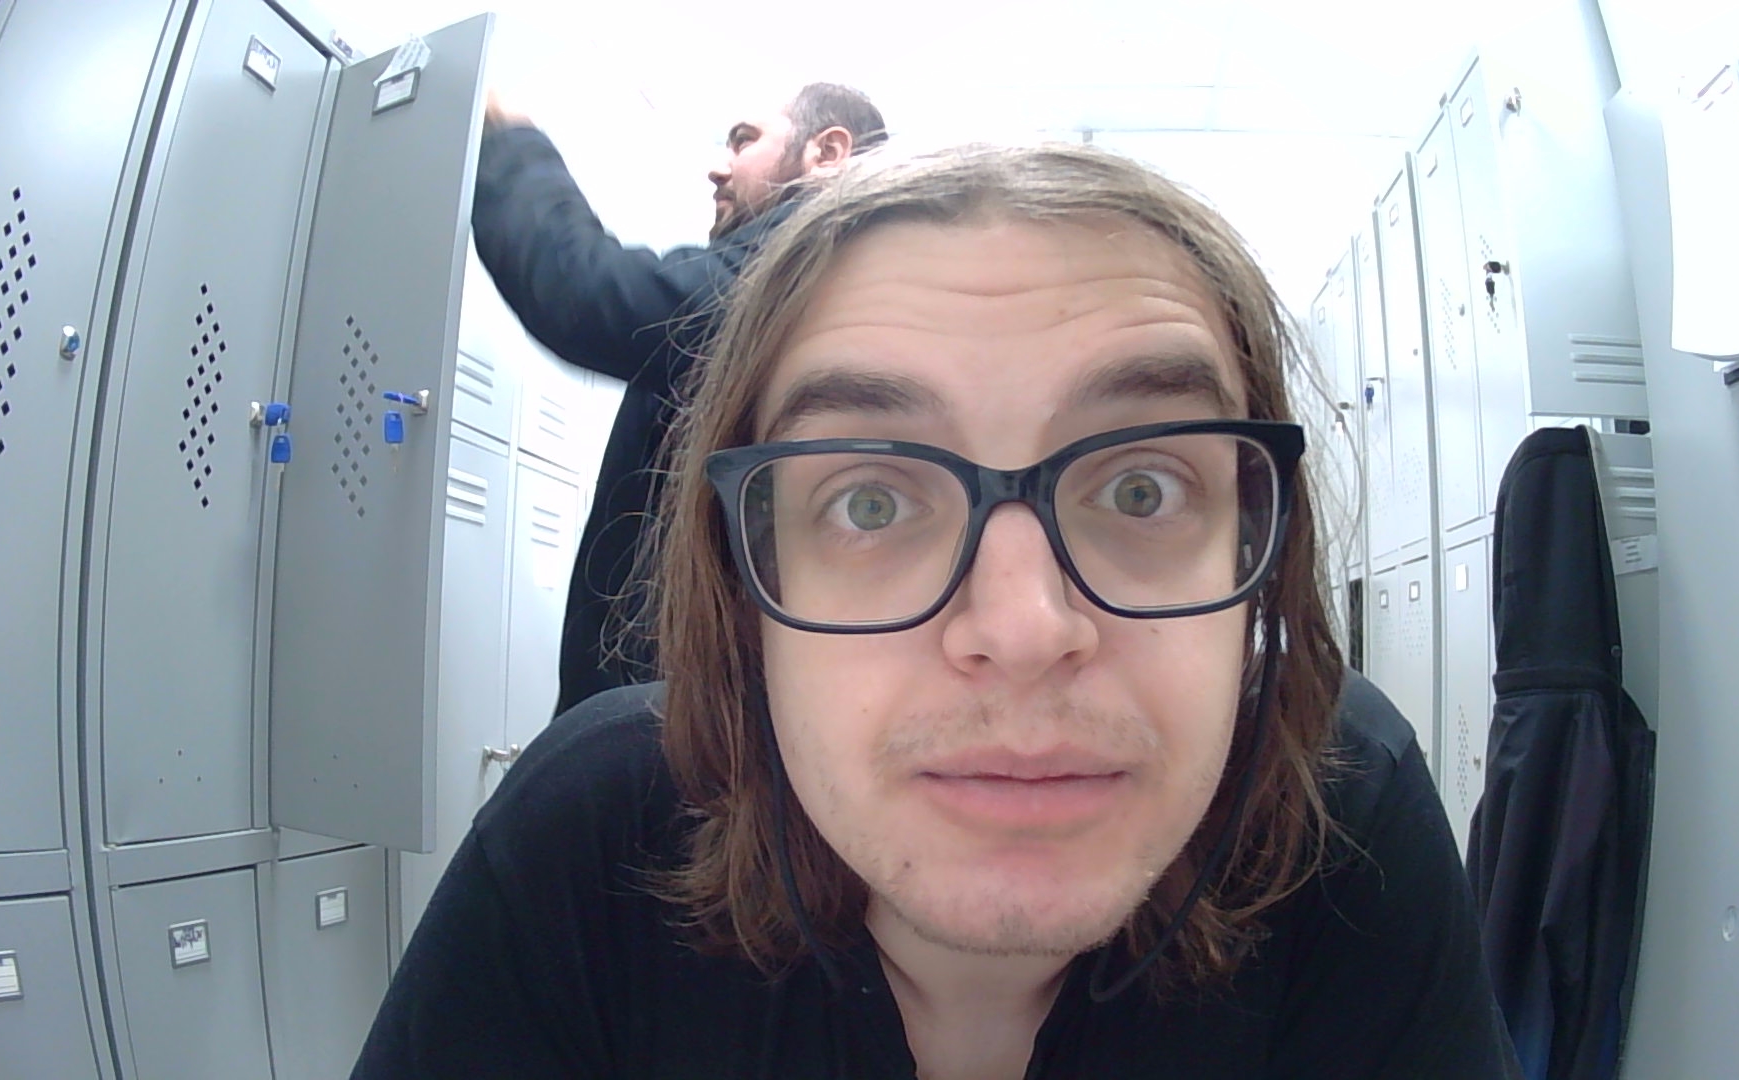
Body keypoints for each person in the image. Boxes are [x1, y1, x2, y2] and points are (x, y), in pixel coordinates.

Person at [355, 144, 1521, 1079]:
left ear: (1261, 552)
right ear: (743, 592)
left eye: (1142, 490)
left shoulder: (1343, 813)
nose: (1023, 632)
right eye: (869, 501)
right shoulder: (586, 842)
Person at [474, 82, 888, 714]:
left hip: (680, 710)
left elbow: (583, 292)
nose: (719, 168)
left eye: (744, 141)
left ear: (826, 153)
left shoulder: (807, 260)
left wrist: (510, 135)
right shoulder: (848, 276)